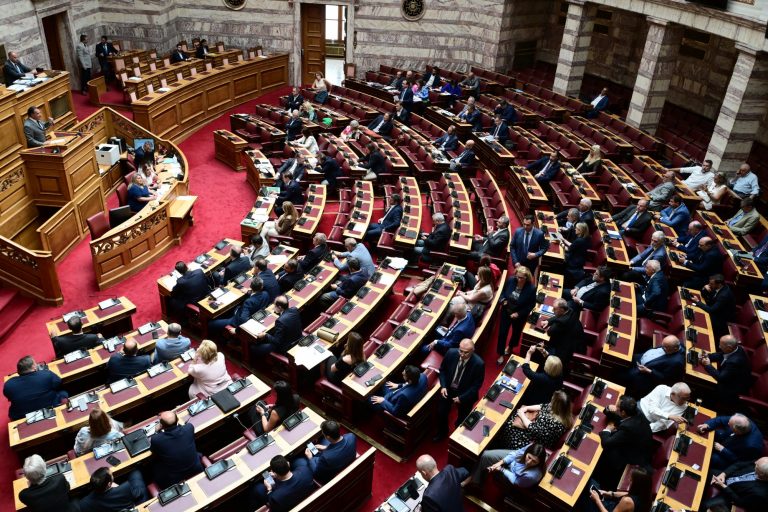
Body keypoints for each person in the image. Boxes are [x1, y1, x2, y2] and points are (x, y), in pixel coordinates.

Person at [595, 396, 652, 489]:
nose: (615, 407)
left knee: (604, 451)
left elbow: (606, 443)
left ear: (623, 412)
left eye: (617, 407)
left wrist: (607, 430)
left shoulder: (628, 427)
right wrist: (608, 408)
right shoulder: (635, 411)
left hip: (632, 458)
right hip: (636, 446)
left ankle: (600, 480)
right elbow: (617, 417)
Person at [434, 338, 485, 441]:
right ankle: (442, 432)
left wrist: (462, 398)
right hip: (448, 390)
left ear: (472, 351)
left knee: (462, 419)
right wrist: (443, 386)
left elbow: (476, 386)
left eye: (466, 352)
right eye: (460, 351)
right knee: (441, 413)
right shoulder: (451, 353)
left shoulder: (479, 364)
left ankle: (457, 437)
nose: (462, 354)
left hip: (465, 394)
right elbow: (442, 370)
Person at [498, 390, 574, 450]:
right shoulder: (563, 411)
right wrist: (526, 408)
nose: (551, 400)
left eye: (552, 400)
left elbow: (533, 429)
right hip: (534, 428)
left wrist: (522, 415)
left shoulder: (555, 423)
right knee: (514, 414)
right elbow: (542, 406)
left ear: (555, 405)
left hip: (533, 443)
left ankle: (501, 444)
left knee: (508, 425)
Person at [150, 411, 203, 489]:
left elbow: (154, 451)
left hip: (175, 477)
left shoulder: (156, 439)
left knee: (155, 466)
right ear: (177, 420)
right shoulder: (189, 428)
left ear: (162, 425)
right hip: (196, 468)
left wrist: (157, 431)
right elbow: (181, 429)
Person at [4, 356, 67, 420]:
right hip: (50, 408)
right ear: (33, 367)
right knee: (62, 392)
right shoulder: (46, 374)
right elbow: (58, 383)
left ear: (18, 371)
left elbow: (9, 397)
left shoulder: (9, 384)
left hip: (21, 416)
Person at [697, 414, 764, 473]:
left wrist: (723, 450)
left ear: (737, 431)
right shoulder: (739, 420)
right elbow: (720, 419)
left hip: (729, 456)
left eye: (730, 424)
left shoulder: (751, 446)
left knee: (713, 458)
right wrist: (707, 425)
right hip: (728, 439)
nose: (727, 423)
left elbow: (739, 461)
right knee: (713, 432)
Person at [465, 442, 545, 491]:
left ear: (539, 462)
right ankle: (474, 478)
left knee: (493, 469)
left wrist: (501, 469)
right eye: (529, 457)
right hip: (514, 461)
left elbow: (516, 481)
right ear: (527, 452)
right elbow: (516, 454)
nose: (529, 462)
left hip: (512, 477)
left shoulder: (532, 476)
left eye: (534, 461)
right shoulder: (530, 447)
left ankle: (473, 481)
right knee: (486, 455)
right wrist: (501, 462)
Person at [701, 335, 752, 409]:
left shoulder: (734, 362)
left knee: (706, 387)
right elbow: (721, 354)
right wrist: (708, 356)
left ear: (729, 347)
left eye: (721, 345)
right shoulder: (736, 348)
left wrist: (708, 365)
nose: (719, 346)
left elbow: (720, 378)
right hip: (729, 377)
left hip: (731, 389)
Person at [249, 455, 314, 512]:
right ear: (288, 464)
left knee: (258, 488)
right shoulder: (305, 470)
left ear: (275, 473)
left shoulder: (275, 496)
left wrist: (269, 489)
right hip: (305, 498)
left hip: (285, 505)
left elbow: (271, 504)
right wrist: (277, 476)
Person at [703, 457, 768, 511]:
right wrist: (724, 474)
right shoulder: (759, 463)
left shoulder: (760, 494)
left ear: (761, 474)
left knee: (705, 505)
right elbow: (738, 465)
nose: (755, 462)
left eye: (756, 465)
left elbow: (740, 501)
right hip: (726, 477)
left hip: (729, 495)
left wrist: (723, 486)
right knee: (704, 472)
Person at [78, 467, 148, 512]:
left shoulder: (84, 503)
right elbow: (139, 494)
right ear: (109, 484)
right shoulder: (125, 488)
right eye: (111, 474)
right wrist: (118, 488)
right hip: (130, 508)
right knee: (136, 473)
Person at [538, 298, 583, 368]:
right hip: (576, 340)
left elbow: (549, 332)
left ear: (562, 309)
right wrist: (548, 321)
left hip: (566, 350)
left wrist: (551, 326)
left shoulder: (562, 322)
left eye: (555, 309)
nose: (552, 310)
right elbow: (559, 317)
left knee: (542, 348)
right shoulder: (570, 310)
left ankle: (542, 367)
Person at [587, 466, 652, 512]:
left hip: (606, 509)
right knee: (592, 483)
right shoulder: (646, 496)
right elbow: (627, 494)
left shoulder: (627, 501)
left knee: (588, 485)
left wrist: (597, 500)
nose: (629, 480)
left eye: (631, 480)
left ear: (636, 484)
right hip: (612, 505)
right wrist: (610, 493)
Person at [696, 275, 735, 340]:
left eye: (711, 284)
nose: (709, 285)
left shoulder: (724, 295)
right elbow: (708, 298)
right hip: (715, 310)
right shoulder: (719, 287)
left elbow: (711, 310)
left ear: (719, 284)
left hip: (720, 319)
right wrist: (704, 288)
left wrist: (697, 302)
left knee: (699, 317)